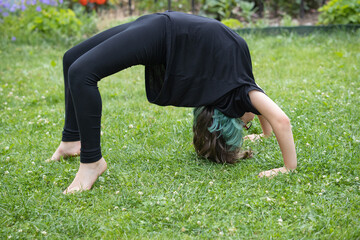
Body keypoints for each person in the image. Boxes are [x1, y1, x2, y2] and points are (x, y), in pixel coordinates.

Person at [48, 11, 297, 194]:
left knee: (78, 68)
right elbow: (279, 119)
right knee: (74, 62)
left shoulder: (238, 93)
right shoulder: (241, 92)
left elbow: (268, 110)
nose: (253, 114)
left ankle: (83, 153)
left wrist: (266, 133)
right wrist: (288, 167)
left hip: (162, 28)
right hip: (163, 27)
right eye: (246, 128)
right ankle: (83, 152)